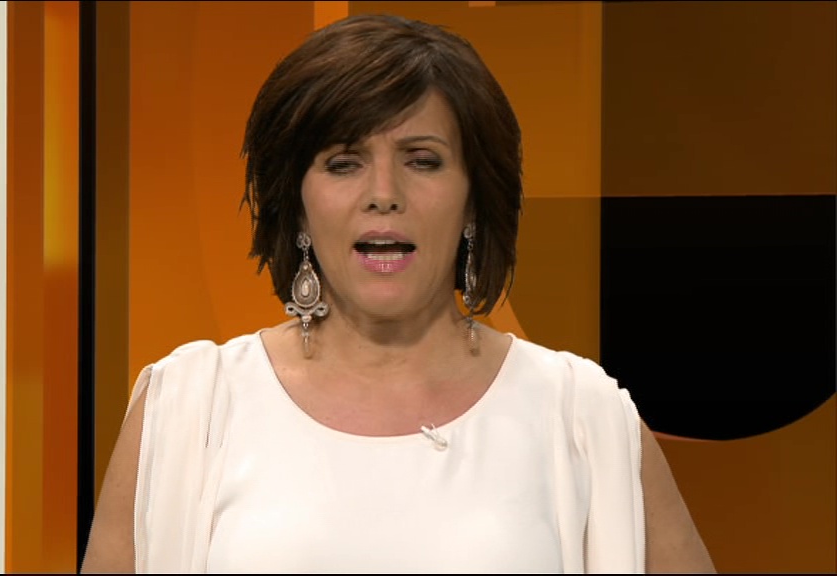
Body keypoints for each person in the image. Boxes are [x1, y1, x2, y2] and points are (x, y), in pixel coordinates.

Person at [81, 13, 716, 574]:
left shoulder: (581, 417)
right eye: (344, 163)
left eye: (422, 160)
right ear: (296, 205)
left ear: (474, 199)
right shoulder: (189, 408)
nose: (384, 193)